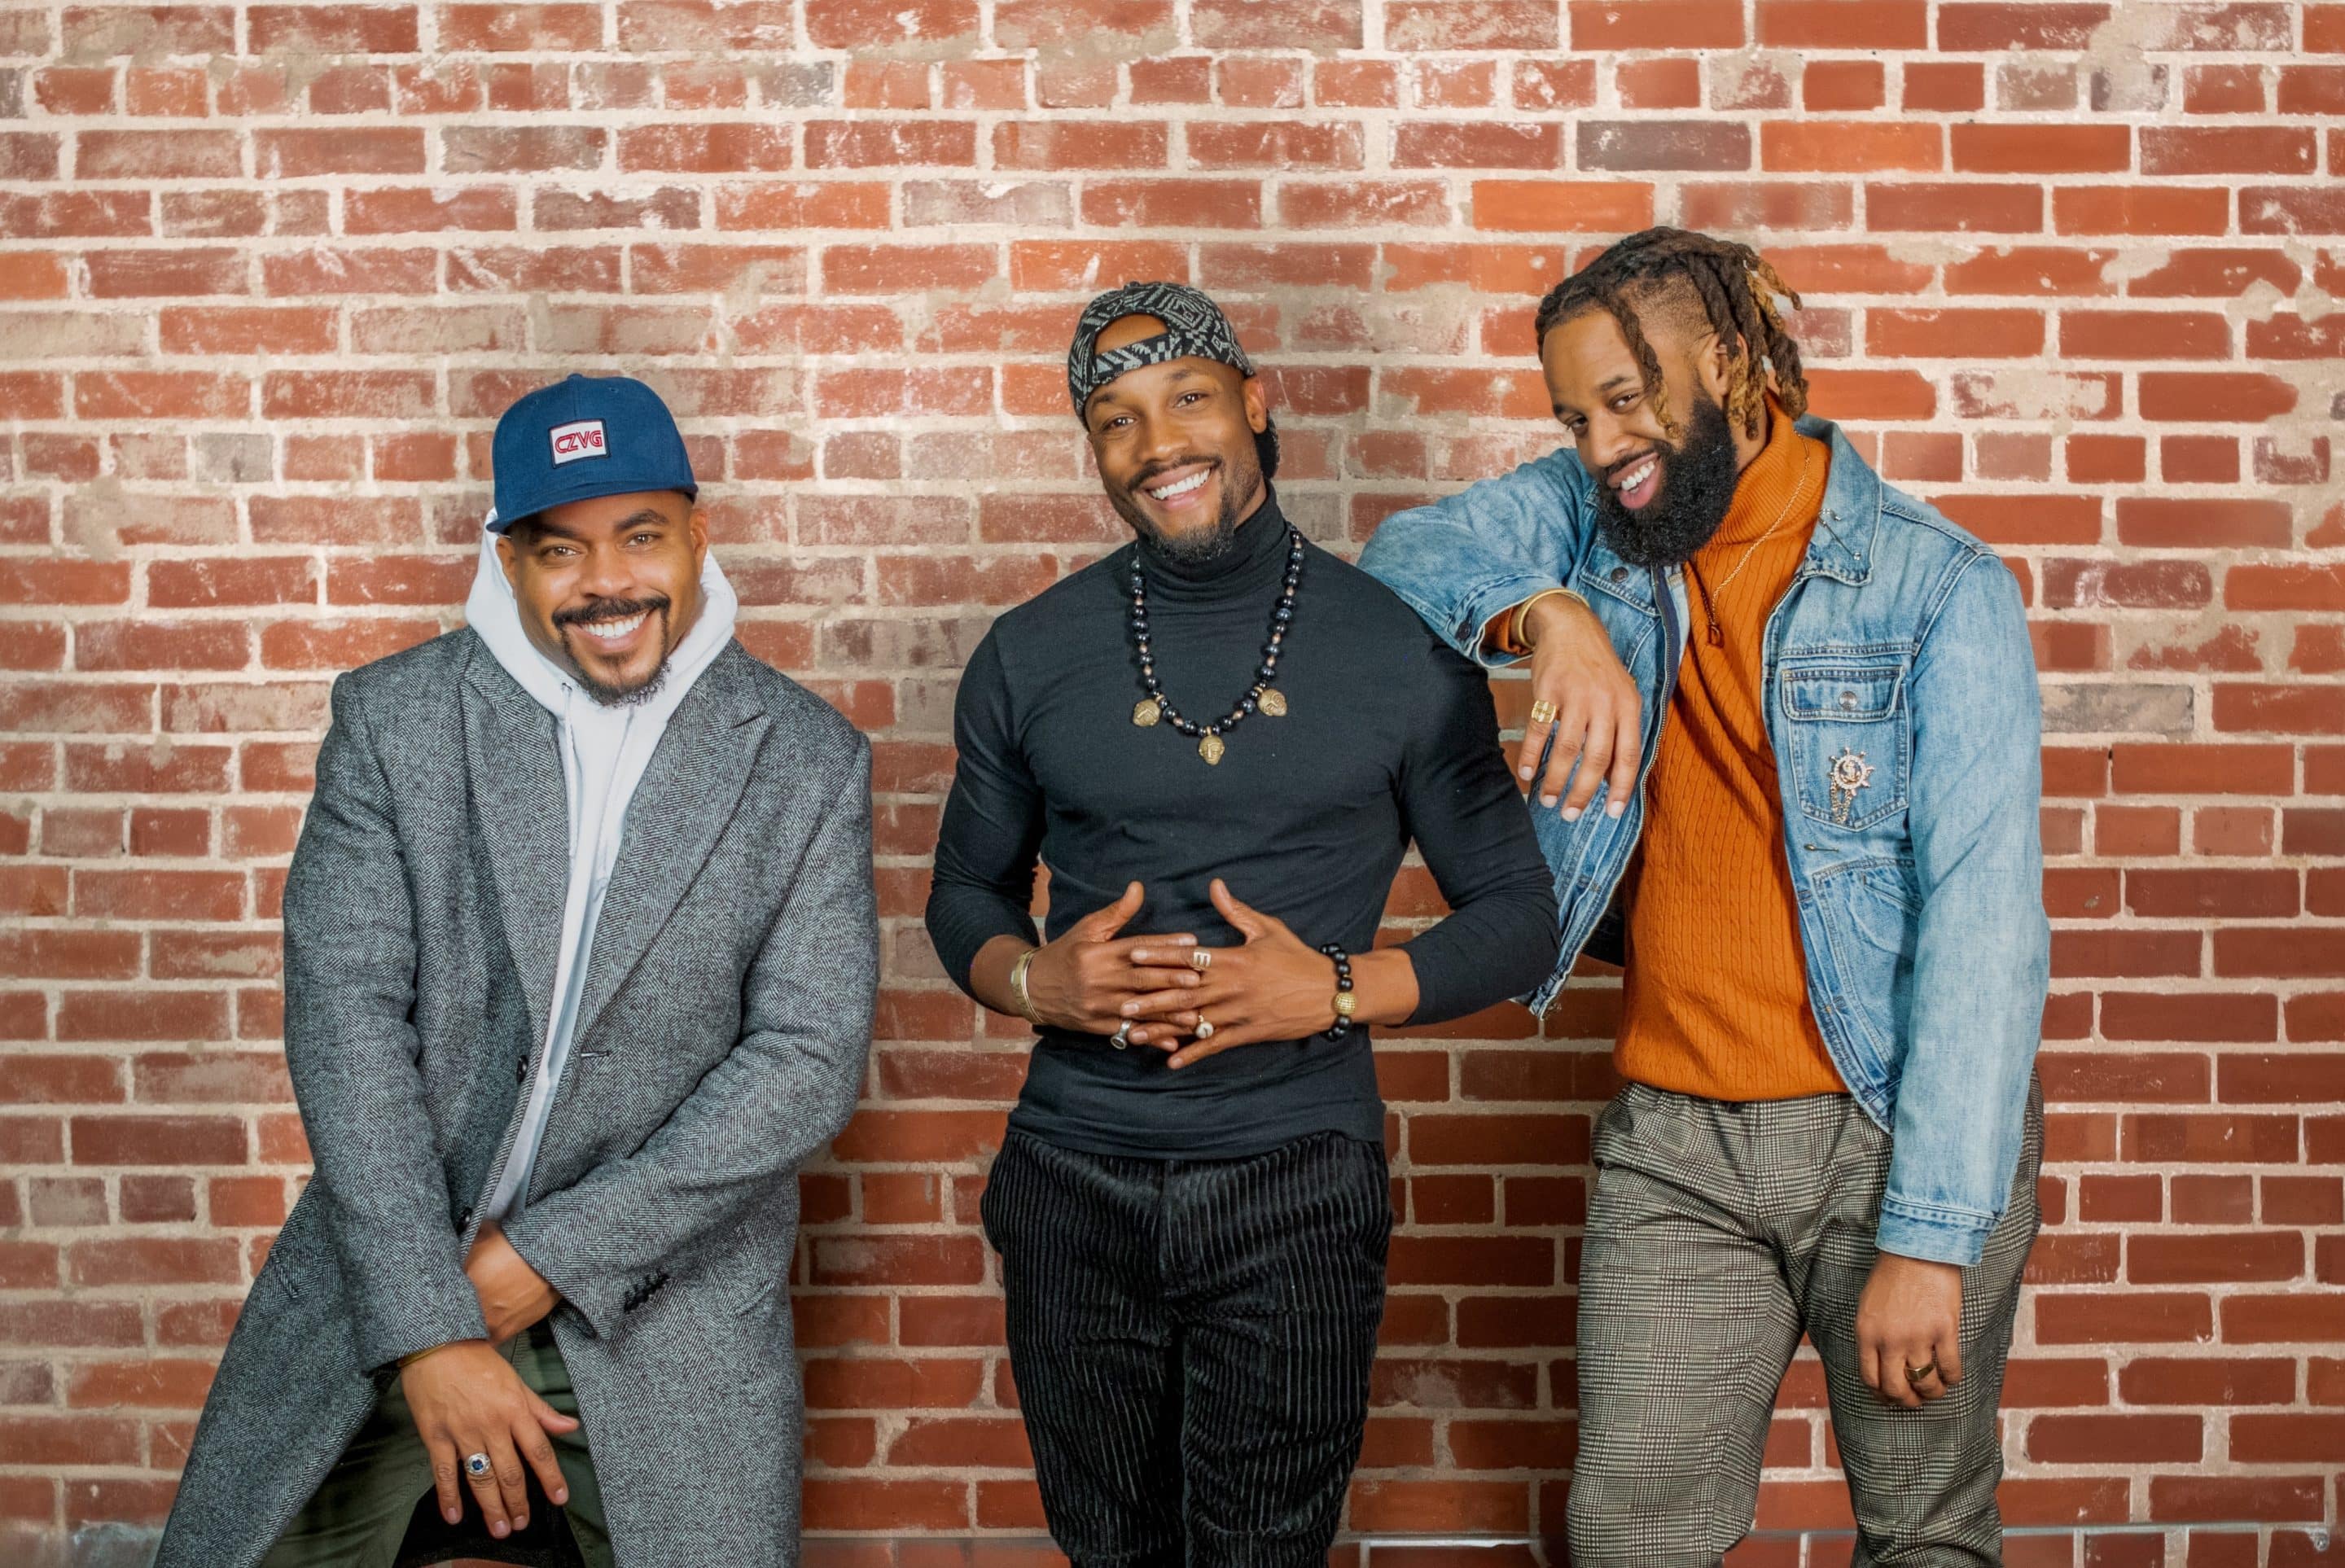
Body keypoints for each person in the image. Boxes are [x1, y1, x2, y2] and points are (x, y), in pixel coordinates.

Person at [1358, 228, 2049, 1566]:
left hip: (1889, 1125)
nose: (1603, 444)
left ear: (1730, 362)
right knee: (1632, 1537)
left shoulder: (1939, 588)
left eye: (1628, 398)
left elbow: (1987, 931)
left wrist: (1929, 1237)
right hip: (1677, 1140)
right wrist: (1549, 617)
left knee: (1925, 1532)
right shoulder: (1603, 521)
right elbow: (1401, 558)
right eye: (1574, 417)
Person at [156, 374, 878, 1568]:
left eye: (640, 536)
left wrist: (547, 1259)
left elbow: (805, 1061)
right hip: (400, 1276)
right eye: (561, 549)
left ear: (697, 536)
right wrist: (433, 1328)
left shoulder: (804, 757)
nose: (607, 581)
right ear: (508, 560)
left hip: (666, 1309)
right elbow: (346, 1022)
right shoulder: (396, 720)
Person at [926, 282, 1560, 1568]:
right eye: (1116, 419)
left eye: (1189, 398)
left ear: (1256, 403)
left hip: (1296, 1182)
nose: (1158, 442)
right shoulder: (1028, 653)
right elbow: (963, 896)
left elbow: (1519, 918)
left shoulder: (1399, 653)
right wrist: (1035, 981)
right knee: (1109, 1550)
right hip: (1073, 1178)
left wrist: (1332, 990)